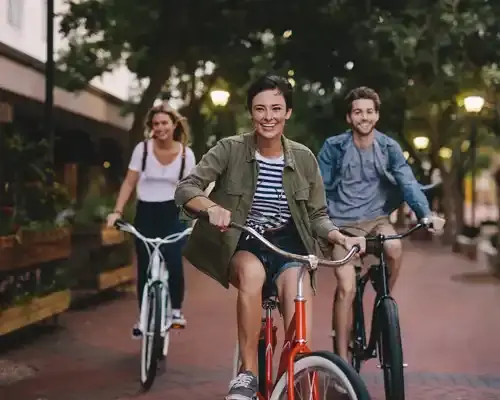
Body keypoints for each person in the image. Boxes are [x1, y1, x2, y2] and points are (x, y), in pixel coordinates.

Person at [174, 74, 366, 400]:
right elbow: (186, 189)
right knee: (252, 273)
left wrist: (339, 237)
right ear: (251, 112)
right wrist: (210, 208)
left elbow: (317, 215)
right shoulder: (230, 149)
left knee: (296, 300)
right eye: (260, 109)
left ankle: (290, 375)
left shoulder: (304, 158)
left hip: (289, 245)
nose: (269, 116)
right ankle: (247, 374)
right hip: (245, 241)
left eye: (277, 108)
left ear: (288, 112)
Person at [317, 86, 445, 362]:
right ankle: (341, 363)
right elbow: (319, 191)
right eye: (358, 112)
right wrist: (325, 226)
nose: (364, 117)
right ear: (349, 118)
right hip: (341, 225)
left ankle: (382, 300)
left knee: (396, 247)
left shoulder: (388, 148)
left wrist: (424, 214)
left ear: (377, 116)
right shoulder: (333, 148)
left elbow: (408, 183)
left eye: (370, 112)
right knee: (346, 287)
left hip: (377, 219)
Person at [107, 102, 196, 335]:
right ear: (151, 127)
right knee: (145, 267)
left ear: (174, 125)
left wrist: (199, 216)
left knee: (174, 260)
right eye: (155, 124)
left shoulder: (186, 154)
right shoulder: (143, 150)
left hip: (173, 213)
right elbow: (129, 182)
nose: (160, 127)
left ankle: (176, 311)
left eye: (164, 122)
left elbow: (192, 190)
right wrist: (117, 211)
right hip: (146, 212)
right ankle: (144, 318)